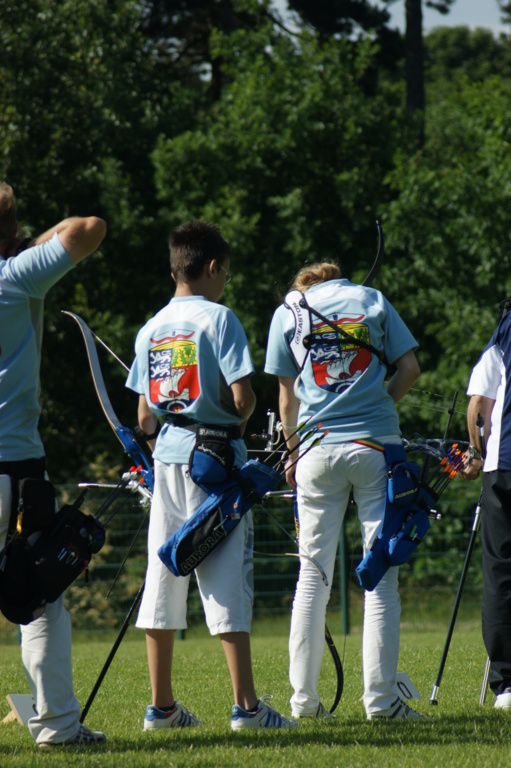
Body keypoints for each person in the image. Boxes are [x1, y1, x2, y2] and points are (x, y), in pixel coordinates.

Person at [125, 220, 297, 731]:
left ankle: (161, 708)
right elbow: (243, 400)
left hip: (166, 460)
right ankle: (247, 708)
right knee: (225, 577)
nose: (226, 283)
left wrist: (161, 450)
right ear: (214, 267)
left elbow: (144, 415)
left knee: (164, 573)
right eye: (227, 274)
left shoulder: (151, 327)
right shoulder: (220, 319)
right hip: (215, 463)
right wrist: (233, 426)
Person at [264, 261, 421, 720]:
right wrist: (380, 406)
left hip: (315, 450)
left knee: (311, 578)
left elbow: (287, 398)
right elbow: (410, 368)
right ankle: (381, 702)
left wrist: (291, 453)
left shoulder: (289, 311)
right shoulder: (371, 299)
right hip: (376, 448)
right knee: (381, 576)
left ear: (306, 283)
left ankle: (304, 703)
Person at [0, 181, 107, 746]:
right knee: (39, 596)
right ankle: (58, 725)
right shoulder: (13, 277)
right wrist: (27, 250)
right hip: (14, 467)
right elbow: (89, 228)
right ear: (12, 233)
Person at [461, 301, 511, 709]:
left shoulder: (505, 329)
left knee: (501, 572)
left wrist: (476, 454)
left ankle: (507, 684)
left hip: (503, 468)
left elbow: (480, 404)